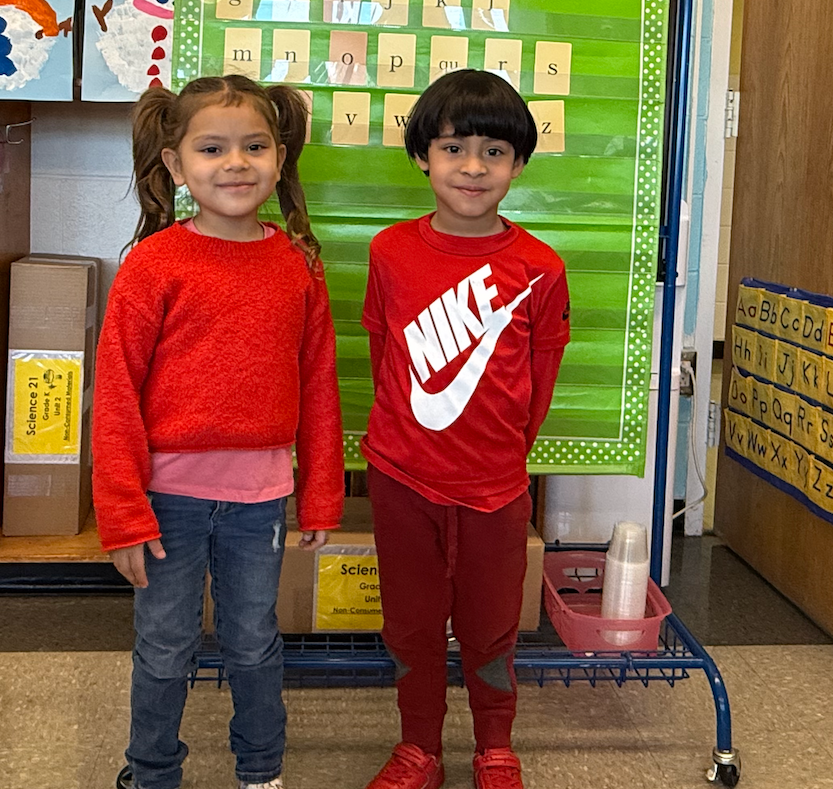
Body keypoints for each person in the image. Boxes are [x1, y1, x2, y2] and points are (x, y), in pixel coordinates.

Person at [93, 74, 345, 789]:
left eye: (255, 146)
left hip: (258, 499)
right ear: (175, 164)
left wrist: (322, 493)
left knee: (254, 641)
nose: (236, 163)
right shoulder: (153, 263)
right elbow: (114, 394)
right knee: (164, 645)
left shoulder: (298, 263)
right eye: (212, 148)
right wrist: (121, 513)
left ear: (280, 154)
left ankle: (261, 770)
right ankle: (151, 772)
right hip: (164, 500)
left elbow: (318, 386)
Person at [360, 69, 571, 789]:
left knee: (489, 629)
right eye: (454, 148)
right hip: (400, 478)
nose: (473, 168)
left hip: (495, 488)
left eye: (494, 151)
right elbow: (383, 353)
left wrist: (499, 453)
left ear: (518, 163)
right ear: (423, 155)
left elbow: (537, 386)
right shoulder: (388, 252)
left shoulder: (540, 267)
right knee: (411, 627)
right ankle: (418, 746)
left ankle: (495, 745)